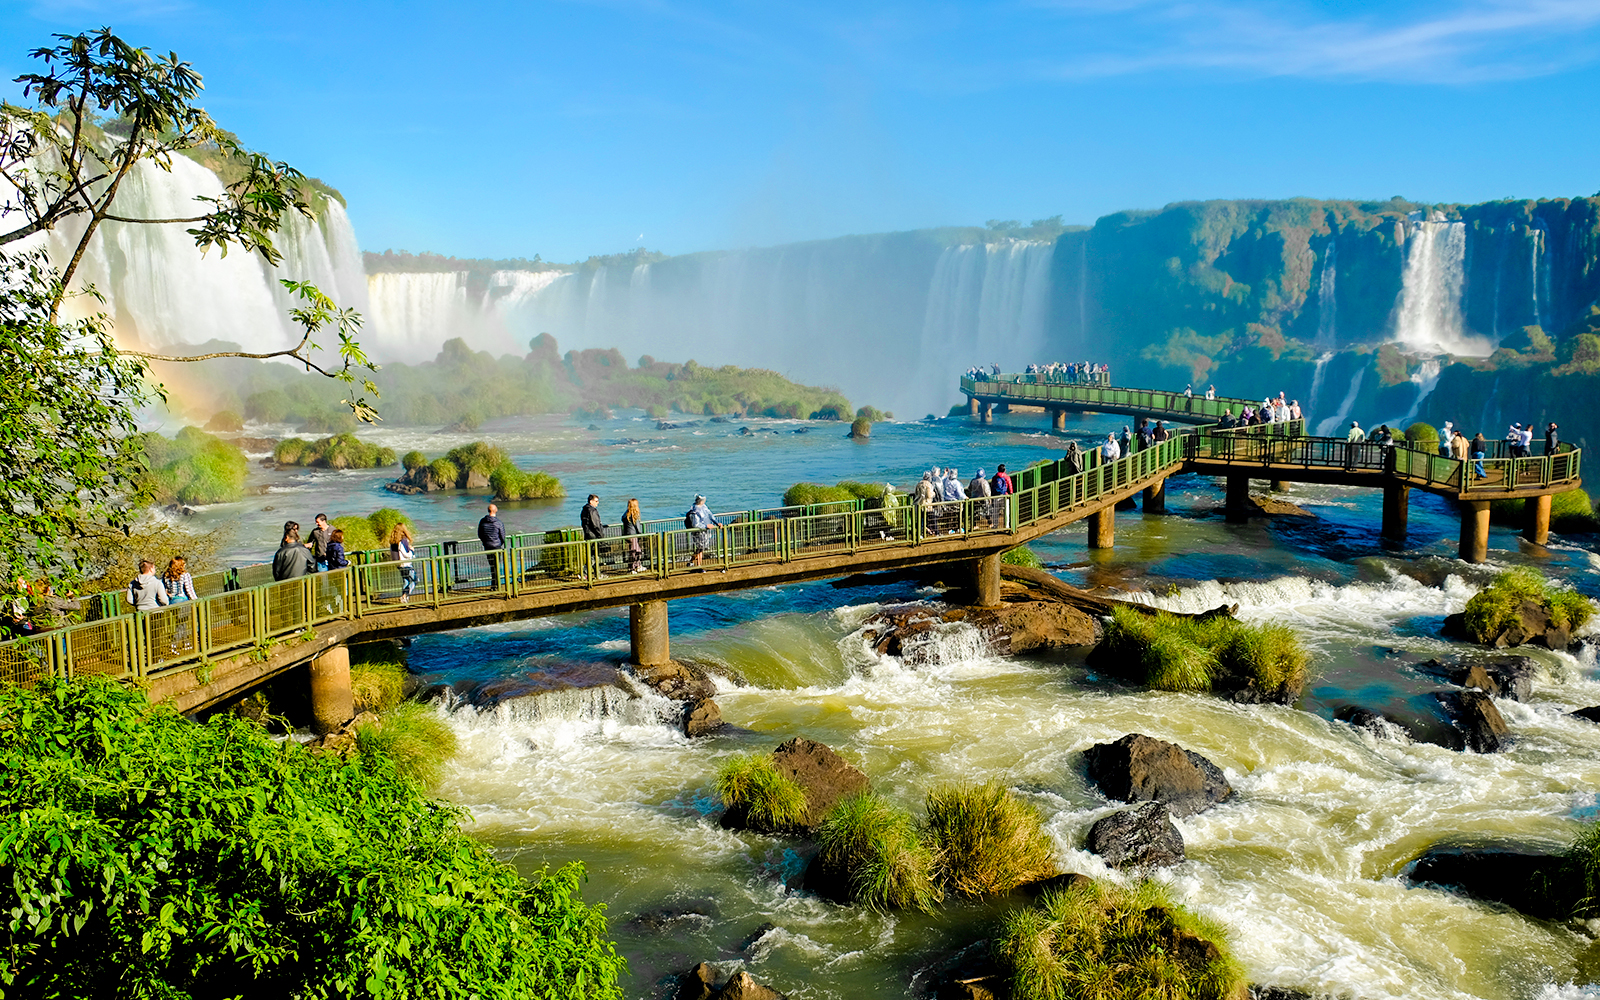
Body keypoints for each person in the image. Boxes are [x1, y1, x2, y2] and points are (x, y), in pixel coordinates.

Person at [687, 495, 721, 568]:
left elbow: (710, 515)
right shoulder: (694, 510)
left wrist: (717, 522)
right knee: (700, 548)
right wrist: (705, 526)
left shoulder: (704, 507)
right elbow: (695, 524)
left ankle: (692, 561)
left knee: (701, 548)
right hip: (698, 532)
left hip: (705, 532)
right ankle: (699, 566)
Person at [478, 503, 506, 588]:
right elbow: (502, 535)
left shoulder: (482, 521)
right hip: (496, 546)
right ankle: (497, 584)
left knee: (492, 565)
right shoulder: (498, 522)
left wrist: (485, 542)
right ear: (495, 510)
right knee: (497, 565)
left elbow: (480, 534)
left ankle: (494, 584)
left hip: (487, 546)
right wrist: (500, 543)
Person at [388, 523, 417, 602]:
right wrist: (411, 551)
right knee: (415, 580)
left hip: (399, 564)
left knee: (406, 580)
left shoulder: (393, 542)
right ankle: (405, 596)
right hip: (406, 564)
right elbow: (406, 554)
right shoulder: (402, 541)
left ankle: (405, 598)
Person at [621, 498, 645, 573]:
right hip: (633, 536)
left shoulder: (626, 514)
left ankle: (637, 565)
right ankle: (632, 568)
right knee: (635, 552)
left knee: (634, 551)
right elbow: (637, 527)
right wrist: (640, 534)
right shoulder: (634, 514)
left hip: (627, 535)